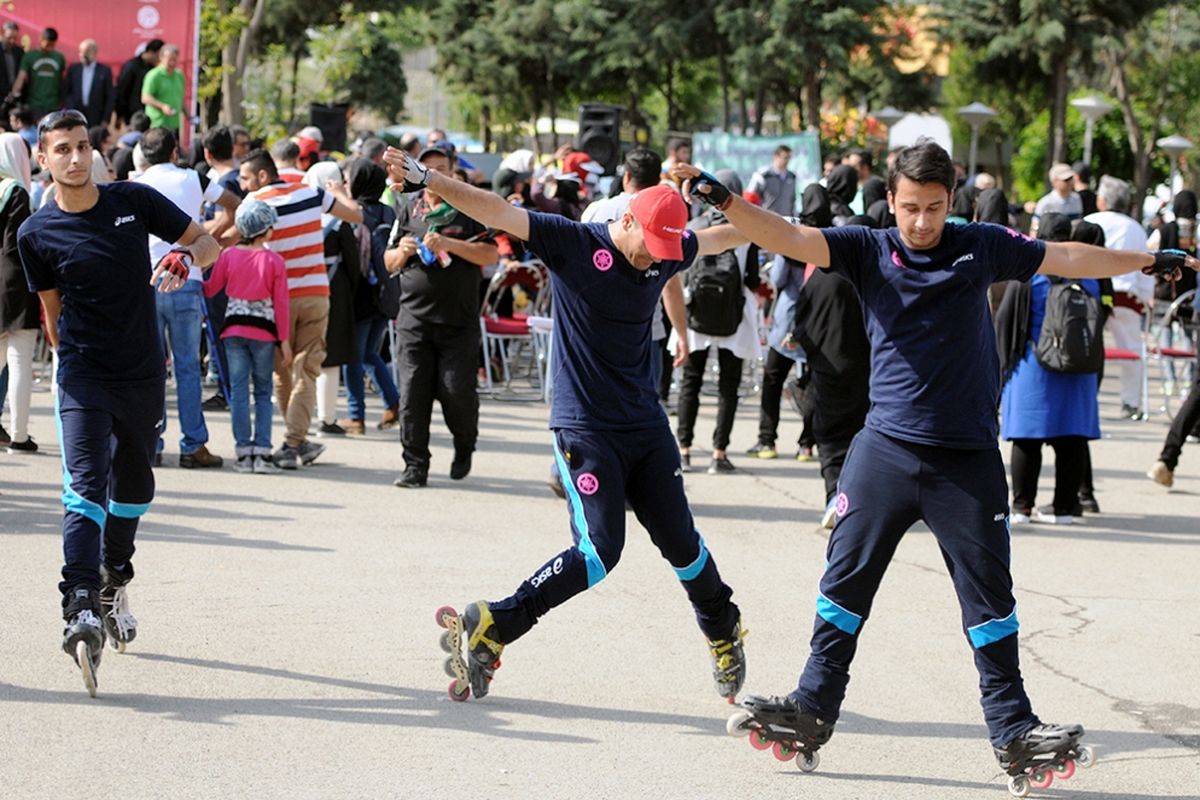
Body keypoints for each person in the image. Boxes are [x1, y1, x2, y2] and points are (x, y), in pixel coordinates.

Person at [673, 139, 1195, 782]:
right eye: (911, 208)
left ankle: (1012, 730)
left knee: (990, 601)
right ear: (889, 201)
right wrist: (725, 201)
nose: (922, 223)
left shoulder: (980, 243)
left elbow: (1064, 256)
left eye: (935, 208)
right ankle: (813, 706)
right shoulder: (865, 248)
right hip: (884, 451)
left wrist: (1146, 259)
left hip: (967, 460)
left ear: (953, 202)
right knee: (843, 588)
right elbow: (785, 234)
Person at [384, 145, 753, 703]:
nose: (650, 259)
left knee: (683, 544)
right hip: (585, 427)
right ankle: (498, 623)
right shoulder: (576, 244)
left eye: (663, 251)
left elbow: (726, 236)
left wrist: (774, 221)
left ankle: (723, 629)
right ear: (625, 218)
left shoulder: (668, 250)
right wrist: (426, 178)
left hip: (645, 426)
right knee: (600, 551)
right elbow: (495, 210)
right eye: (646, 245)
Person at [17, 109, 220, 695]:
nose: (76, 158)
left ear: (95, 151)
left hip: (140, 373)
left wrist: (186, 257)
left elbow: (205, 242)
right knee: (84, 483)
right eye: (63, 150)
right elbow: (52, 315)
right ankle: (79, 601)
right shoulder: (35, 234)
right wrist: (66, 370)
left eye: (83, 146)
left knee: (134, 485)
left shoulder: (135, 200)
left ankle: (113, 576)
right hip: (82, 375)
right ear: (43, 160)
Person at [238, 147, 362, 469]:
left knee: (282, 370)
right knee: (308, 370)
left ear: (263, 174)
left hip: (275, 298)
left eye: (245, 177)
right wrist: (341, 193)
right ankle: (297, 442)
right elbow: (355, 215)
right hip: (316, 294)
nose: (242, 184)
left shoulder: (254, 202)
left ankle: (294, 443)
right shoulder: (312, 192)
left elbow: (240, 243)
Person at [383, 146, 497, 487]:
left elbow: (490, 254)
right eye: (426, 166)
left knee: (456, 393)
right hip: (413, 322)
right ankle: (415, 466)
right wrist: (401, 252)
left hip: (458, 323)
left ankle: (465, 444)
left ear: (450, 170)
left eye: (441, 168)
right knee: (412, 397)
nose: (433, 173)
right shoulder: (407, 207)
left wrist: (450, 244)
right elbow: (387, 262)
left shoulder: (468, 207)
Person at [134, 127, 239, 467]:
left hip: (146, 280)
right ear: (174, 152)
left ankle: (152, 442)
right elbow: (233, 204)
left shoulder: (135, 183)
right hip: (187, 275)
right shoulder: (194, 179)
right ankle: (193, 445)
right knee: (188, 367)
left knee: (149, 367)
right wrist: (208, 241)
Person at [999, 214, 1101, 524]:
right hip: (1078, 368)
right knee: (1072, 439)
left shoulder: (1032, 274)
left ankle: (1022, 506)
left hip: (1034, 365)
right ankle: (1064, 508)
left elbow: (1007, 323)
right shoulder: (1087, 276)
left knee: (1027, 439)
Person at [675, 170, 760, 474]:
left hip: (695, 312)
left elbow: (682, 271)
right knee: (728, 385)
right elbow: (751, 278)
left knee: (690, 383)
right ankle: (718, 453)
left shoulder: (693, 226)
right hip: (733, 316)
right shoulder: (746, 229)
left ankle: (683, 450)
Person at [203, 200, 292, 474]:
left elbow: (210, 290)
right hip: (264, 334)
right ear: (264, 230)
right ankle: (262, 453)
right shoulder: (275, 261)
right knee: (264, 393)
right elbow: (281, 304)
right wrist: (284, 341)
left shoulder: (227, 256)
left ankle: (243, 453)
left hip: (233, 332)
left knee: (239, 392)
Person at [748, 185, 827, 461]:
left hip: (787, 315)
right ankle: (806, 444)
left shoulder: (795, 235)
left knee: (773, 378)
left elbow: (779, 278)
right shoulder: (829, 236)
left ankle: (767, 440)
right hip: (818, 320)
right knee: (812, 383)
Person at [1085, 176, 1152, 419]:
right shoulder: (1135, 227)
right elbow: (1147, 268)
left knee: (1084, 346)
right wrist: (1146, 298)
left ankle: (1085, 395)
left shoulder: (1089, 221)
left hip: (1092, 292)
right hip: (1127, 295)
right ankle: (1130, 401)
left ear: (1102, 200)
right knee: (1132, 350)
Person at [342, 157, 400, 434]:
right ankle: (394, 402)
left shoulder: (357, 212)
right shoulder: (389, 212)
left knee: (353, 354)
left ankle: (356, 416)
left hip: (362, 293)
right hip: (387, 292)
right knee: (368, 353)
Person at [303, 161, 360, 437]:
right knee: (331, 357)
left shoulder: (299, 211)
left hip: (299, 287)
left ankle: (298, 418)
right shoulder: (339, 220)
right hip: (334, 289)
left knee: (301, 354)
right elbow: (353, 263)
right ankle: (326, 419)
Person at [0, 132, 37, 453]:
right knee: (20, 360)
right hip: (15, 283)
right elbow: (19, 244)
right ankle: (19, 434)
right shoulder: (17, 193)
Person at [9, 28, 65, 122]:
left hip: (53, 104)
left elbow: (62, 80)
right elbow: (21, 77)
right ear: (41, 39)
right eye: (47, 44)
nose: (49, 48)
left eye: (52, 45)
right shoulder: (30, 56)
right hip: (34, 104)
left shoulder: (59, 57)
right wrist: (13, 94)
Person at [64, 40, 114, 127]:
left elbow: (110, 96)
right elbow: (66, 92)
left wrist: (106, 118)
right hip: (76, 115)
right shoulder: (74, 69)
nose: (83, 55)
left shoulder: (104, 71)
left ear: (94, 53)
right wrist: (71, 108)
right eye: (80, 52)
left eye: (86, 52)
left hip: (96, 117)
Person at [115, 40, 162, 127]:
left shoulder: (155, 70)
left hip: (150, 116)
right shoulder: (131, 66)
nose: (160, 59)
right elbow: (122, 90)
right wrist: (120, 114)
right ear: (151, 52)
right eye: (159, 55)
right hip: (132, 116)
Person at [140, 44, 184, 131]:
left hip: (174, 123)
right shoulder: (154, 75)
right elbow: (145, 98)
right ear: (161, 58)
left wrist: (188, 115)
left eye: (174, 60)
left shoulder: (179, 75)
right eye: (170, 60)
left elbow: (180, 98)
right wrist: (162, 106)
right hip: (157, 123)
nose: (172, 63)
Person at [1031, 163, 1082, 236]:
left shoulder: (1077, 199)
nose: (1070, 182)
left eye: (1071, 178)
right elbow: (1034, 229)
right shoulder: (1045, 203)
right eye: (1066, 180)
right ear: (1054, 181)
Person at [746, 145, 797, 218]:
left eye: (789, 158)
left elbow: (792, 200)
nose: (787, 161)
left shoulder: (791, 177)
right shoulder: (764, 175)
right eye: (785, 158)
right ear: (776, 157)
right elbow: (751, 197)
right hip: (767, 220)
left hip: (786, 221)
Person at [0, 22, 24, 103]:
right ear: (2, 34)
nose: (12, 41)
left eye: (15, 38)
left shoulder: (19, 52)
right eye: (9, 38)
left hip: (14, 97)